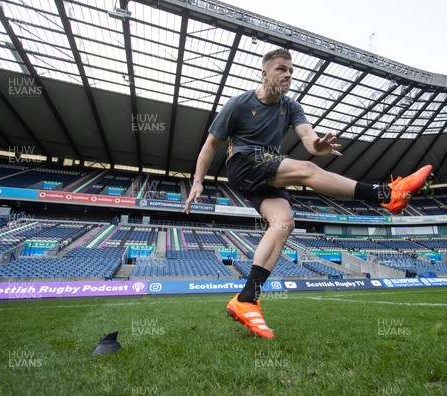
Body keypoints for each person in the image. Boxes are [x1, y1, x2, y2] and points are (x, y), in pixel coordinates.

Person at [185, 48, 432, 339]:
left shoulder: (290, 106)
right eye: (281, 69)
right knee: (305, 170)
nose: (288, 74)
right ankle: (386, 193)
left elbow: (309, 140)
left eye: (291, 70)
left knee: (285, 223)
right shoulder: (239, 104)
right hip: (243, 163)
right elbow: (210, 144)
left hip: (267, 171)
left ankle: (246, 299)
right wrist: (198, 182)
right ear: (264, 73)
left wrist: (318, 146)